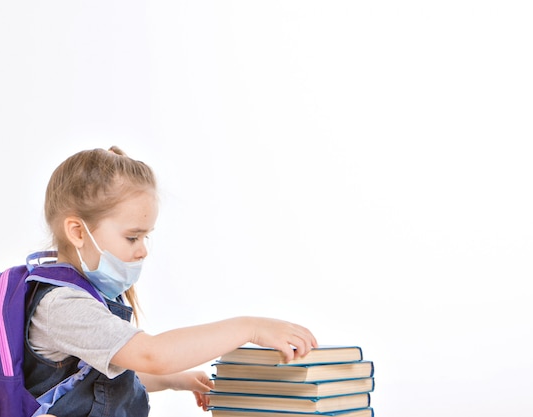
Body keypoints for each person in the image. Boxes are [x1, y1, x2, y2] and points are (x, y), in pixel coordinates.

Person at [22, 146, 318, 416]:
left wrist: (177, 380)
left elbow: (105, 376)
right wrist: (250, 328)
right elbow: (152, 354)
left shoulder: (90, 297)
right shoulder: (63, 305)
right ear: (77, 232)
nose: (143, 250)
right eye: (132, 237)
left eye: (146, 236)